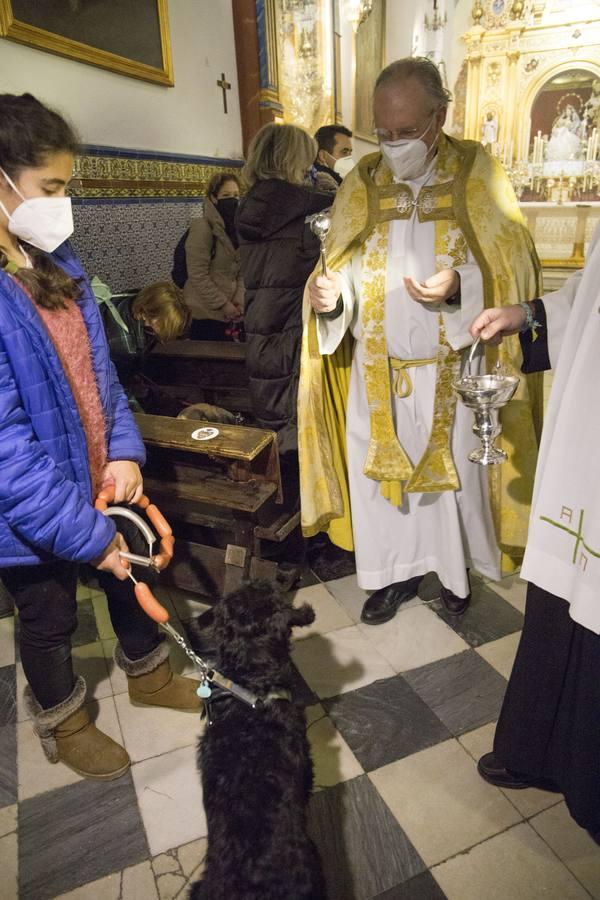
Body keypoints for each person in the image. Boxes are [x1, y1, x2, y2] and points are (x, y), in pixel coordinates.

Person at [0, 93, 201, 783]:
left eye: (66, 187)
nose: (62, 204)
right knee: (48, 613)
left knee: (130, 576)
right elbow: (5, 448)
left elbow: (100, 375)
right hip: (26, 505)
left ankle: (147, 675)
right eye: (49, 188)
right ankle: (63, 716)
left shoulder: (57, 257)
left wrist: (121, 451)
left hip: (95, 476)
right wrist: (84, 532)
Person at [299, 57, 542, 625]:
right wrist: (332, 299)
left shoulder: (477, 173)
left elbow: (514, 267)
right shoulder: (362, 182)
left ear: (441, 115)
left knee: (450, 484)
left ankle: (454, 576)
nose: (393, 144)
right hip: (375, 372)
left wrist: (462, 285)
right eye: (383, 133)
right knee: (384, 483)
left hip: (452, 371)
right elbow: (341, 264)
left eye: (407, 132)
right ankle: (392, 576)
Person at [470, 224, 600, 835]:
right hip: (587, 430)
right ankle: (540, 748)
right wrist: (525, 314)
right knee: (564, 586)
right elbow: (588, 294)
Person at [236, 123, 332, 512]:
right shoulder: (308, 209)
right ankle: (305, 523)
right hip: (293, 328)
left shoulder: (249, 207)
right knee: (299, 426)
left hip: (260, 327)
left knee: (274, 420)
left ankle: (286, 514)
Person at [99, 279, 191, 411]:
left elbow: (131, 370)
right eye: (165, 326)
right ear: (144, 313)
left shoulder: (133, 301)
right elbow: (116, 389)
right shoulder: (123, 344)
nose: (168, 335)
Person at [184, 172, 244, 341]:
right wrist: (223, 304)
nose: (232, 200)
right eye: (226, 195)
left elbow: (241, 271)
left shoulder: (237, 230)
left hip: (231, 314)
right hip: (205, 315)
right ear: (213, 198)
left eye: (236, 195)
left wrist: (239, 302)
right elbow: (197, 274)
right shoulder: (202, 227)